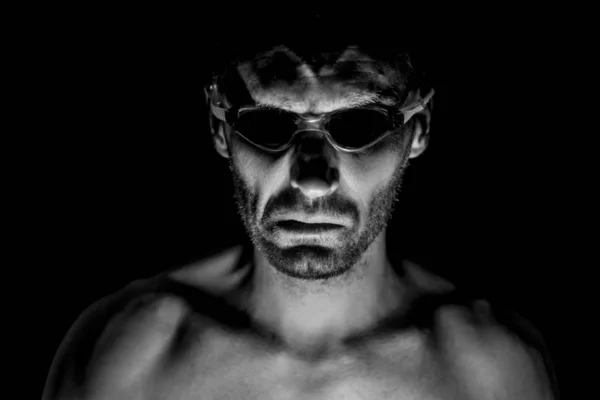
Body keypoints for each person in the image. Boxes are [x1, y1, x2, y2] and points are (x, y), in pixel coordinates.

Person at [43, 40, 559, 399]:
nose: (312, 178)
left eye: (359, 124)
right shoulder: (126, 356)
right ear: (220, 128)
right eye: (268, 123)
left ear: (418, 129)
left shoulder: (493, 371)